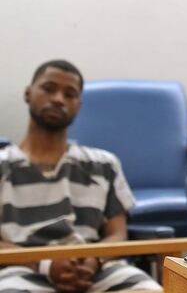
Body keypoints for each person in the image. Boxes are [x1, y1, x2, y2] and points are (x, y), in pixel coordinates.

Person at [0, 60, 161, 292]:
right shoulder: (3, 165)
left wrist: (95, 259)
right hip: (22, 269)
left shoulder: (103, 164)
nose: (58, 99)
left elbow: (118, 233)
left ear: (79, 104)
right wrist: (44, 264)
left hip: (95, 270)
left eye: (70, 94)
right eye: (49, 88)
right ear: (28, 93)